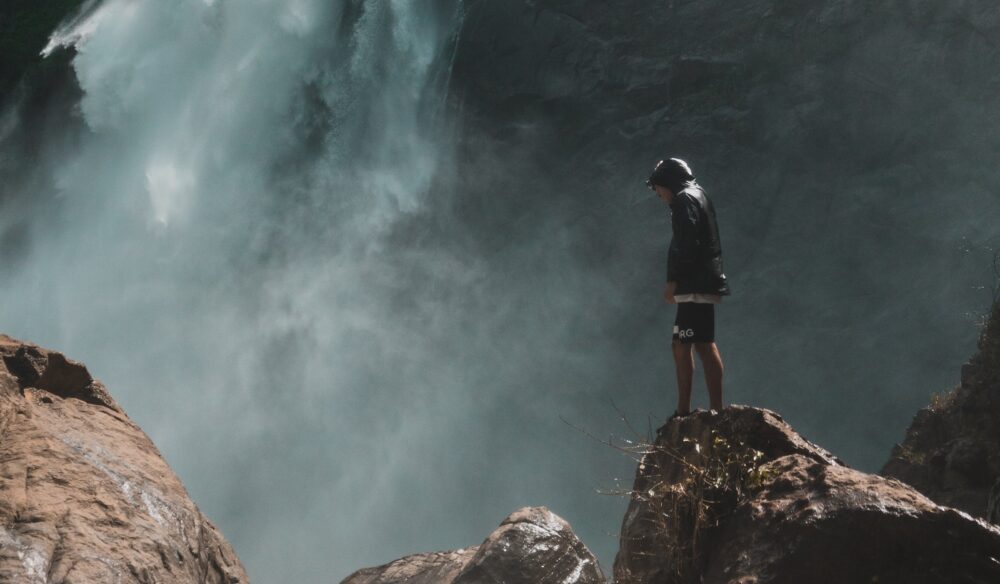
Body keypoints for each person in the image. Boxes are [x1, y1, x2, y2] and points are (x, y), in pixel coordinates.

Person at [646, 158, 731, 419]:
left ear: (668, 182)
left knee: (681, 344)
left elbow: (687, 242)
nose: (658, 194)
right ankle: (716, 410)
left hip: (693, 285)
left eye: (657, 187)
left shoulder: (684, 200)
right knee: (703, 343)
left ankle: (683, 413)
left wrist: (674, 280)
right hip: (705, 281)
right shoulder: (699, 194)